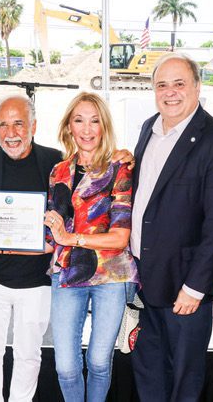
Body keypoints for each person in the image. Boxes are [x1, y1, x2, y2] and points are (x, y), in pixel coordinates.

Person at [130, 53, 213, 402]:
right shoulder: (148, 127)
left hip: (184, 288)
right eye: (162, 85)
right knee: (148, 372)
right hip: (141, 280)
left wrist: (195, 287)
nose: (170, 92)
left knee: (184, 378)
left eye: (179, 84)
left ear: (197, 86)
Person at [0, 95, 61, 402]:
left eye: (18, 123)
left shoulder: (55, 161)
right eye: (2, 124)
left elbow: (67, 216)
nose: (10, 133)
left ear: (33, 125)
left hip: (36, 282)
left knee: (29, 354)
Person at [44, 91, 139, 402]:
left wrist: (71, 239)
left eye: (94, 121)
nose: (87, 129)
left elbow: (120, 237)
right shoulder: (58, 171)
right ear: (69, 126)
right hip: (65, 273)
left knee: (99, 362)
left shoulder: (119, 167)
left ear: (104, 126)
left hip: (109, 275)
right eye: (79, 120)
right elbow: (51, 235)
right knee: (65, 367)